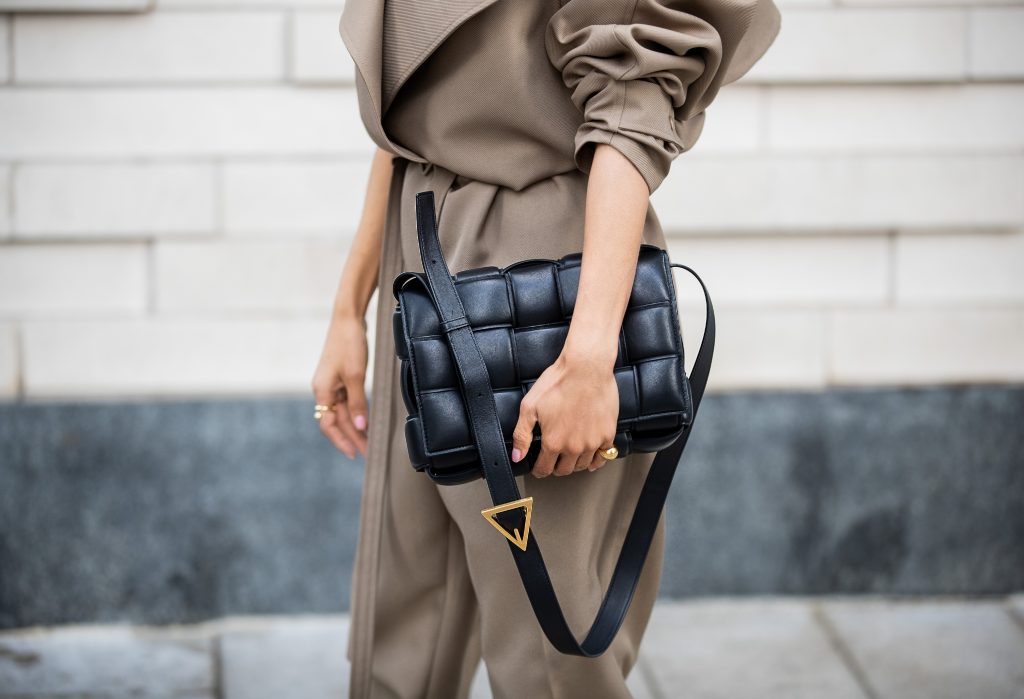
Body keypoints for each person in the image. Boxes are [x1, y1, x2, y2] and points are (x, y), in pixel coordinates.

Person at [312, 0, 781, 696]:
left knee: (553, 656)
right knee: (406, 627)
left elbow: (632, 99)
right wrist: (350, 306)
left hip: (540, 275)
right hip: (422, 260)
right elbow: (408, 114)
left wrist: (591, 355)